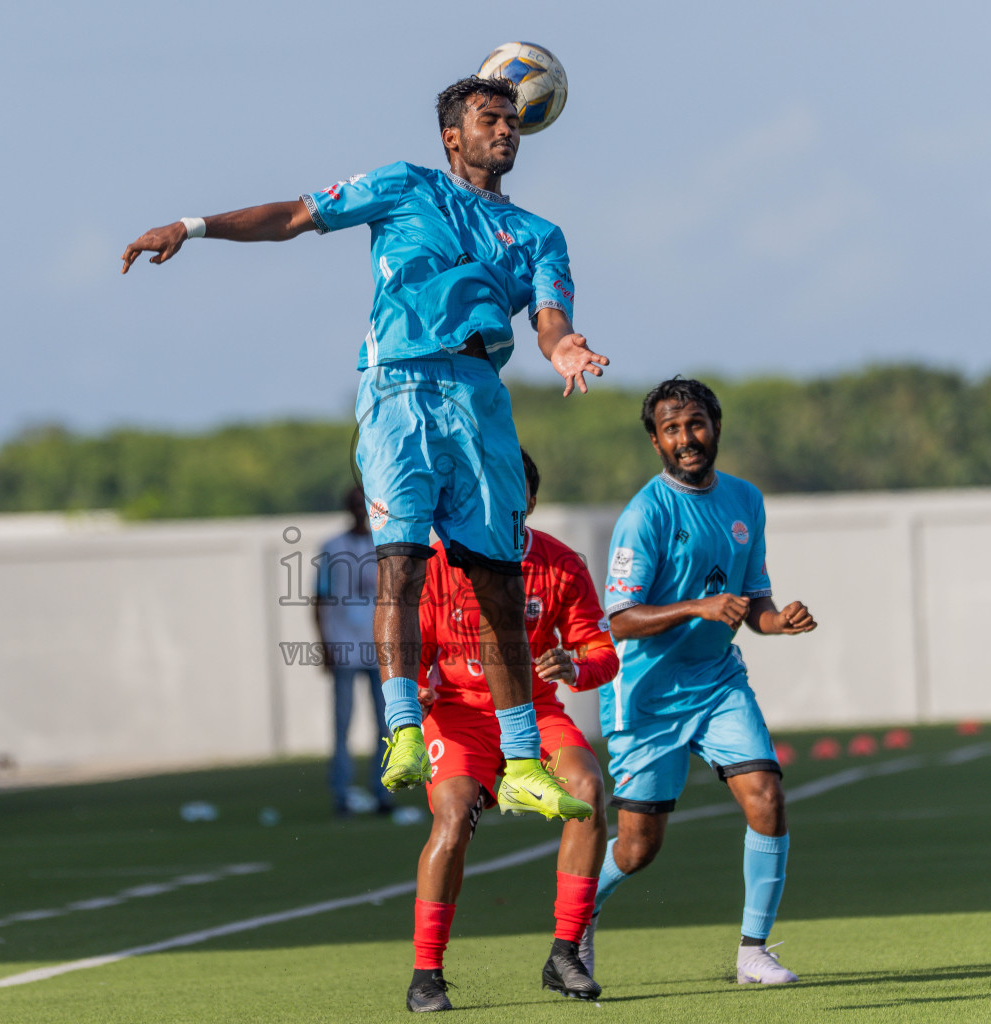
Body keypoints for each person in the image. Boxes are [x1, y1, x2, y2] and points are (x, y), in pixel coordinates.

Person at [122, 74, 609, 820]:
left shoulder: (542, 235)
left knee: (499, 587)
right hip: (399, 391)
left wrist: (565, 347)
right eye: (490, 118)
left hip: (479, 398)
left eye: (513, 119)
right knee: (402, 563)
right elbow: (293, 215)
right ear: (454, 135)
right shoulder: (403, 186)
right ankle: (405, 729)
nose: (506, 130)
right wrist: (191, 227)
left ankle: (519, 762)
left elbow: (548, 318)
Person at [590, 379, 818, 986]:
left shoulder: (746, 500)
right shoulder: (646, 514)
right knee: (638, 848)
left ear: (715, 426)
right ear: (655, 440)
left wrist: (779, 621)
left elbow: (755, 602)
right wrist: (697, 607)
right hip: (648, 695)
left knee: (767, 796)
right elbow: (620, 618)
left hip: (717, 682)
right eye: (671, 429)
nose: (686, 439)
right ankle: (575, 922)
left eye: (695, 424)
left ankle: (753, 952)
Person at [405, 450, 619, 1011]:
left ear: (528, 496)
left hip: (534, 710)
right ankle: (426, 972)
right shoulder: (436, 562)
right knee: (451, 817)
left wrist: (576, 666)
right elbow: (413, 654)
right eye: (482, 490)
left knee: (589, 791)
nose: (495, 501)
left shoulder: (559, 563)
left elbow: (601, 653)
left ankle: (565, 952)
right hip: (460, 716)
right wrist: (419, 688)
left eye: (507, 488)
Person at [314, 485, 394, 818]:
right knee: (343, 724)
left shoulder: (385, 546)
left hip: (379, 647)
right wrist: (324, 644)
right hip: (344, 644)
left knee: (385, 725)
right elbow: (318, 599)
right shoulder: (332, 548)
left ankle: (382, 792)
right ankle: (342, 794)